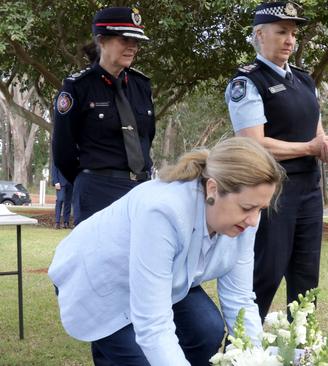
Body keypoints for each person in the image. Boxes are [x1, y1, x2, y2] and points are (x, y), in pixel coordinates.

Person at [48, 137, 285, 366]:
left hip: (161, 278)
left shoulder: (245, 221)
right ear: (213, 189)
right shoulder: (163, 211)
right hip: (97, 281)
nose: (254, 220)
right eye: (247, 208)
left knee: (207, 329)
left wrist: (256, 359)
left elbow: (240, 299)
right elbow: (153, 324)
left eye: (260, 209)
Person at [225, 1, 328, 319]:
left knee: (307, 280)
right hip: (271, 193)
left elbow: (316, 137)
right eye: (281, 32)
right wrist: (310, 148)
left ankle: (300, 351)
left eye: (293, 33)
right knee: (265, 274)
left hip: (309, 189)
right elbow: (252, 143)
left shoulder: (304, 79)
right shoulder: (247, 82)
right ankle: (240, 351)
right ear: (259, 34)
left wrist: (327, 148)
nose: (289, 40)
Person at [52, 6, 155, 224]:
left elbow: (146, 138)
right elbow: (62, 149)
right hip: (97, 191)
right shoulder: (77, 87)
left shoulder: (141, 85)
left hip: (142, 191)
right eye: (124, 40)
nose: (132, 47)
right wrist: (87, 179)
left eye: (136, 42)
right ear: (101, 40)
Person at [51, 164, 73, 229]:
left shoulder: (72, 156)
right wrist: (56, 181)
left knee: (68, 203)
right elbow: (54, 169)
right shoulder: (59, 154)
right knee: (60, 200)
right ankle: (57, 222)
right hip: (60, 183)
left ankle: (66, 222)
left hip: (70, 182)